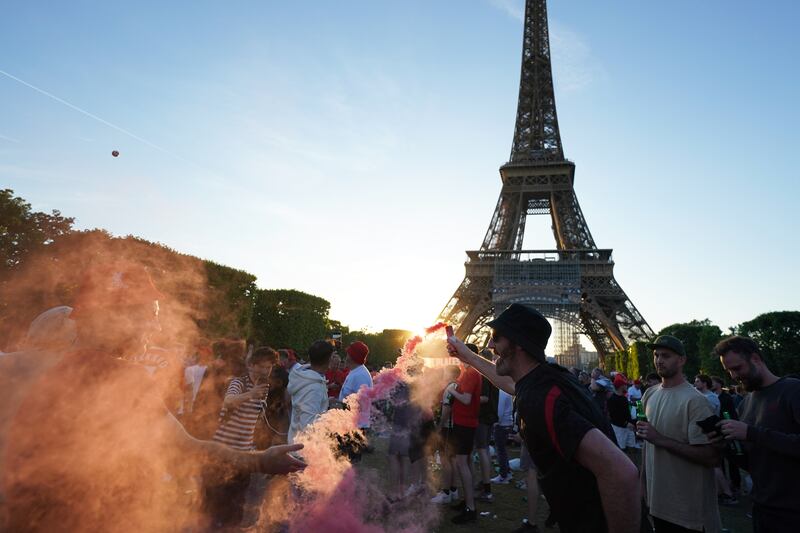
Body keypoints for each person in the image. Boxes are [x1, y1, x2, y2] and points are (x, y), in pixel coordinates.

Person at [2, 263, 305, 533]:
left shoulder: (14, 367)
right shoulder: (119, 378)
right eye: (149, 315)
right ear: (115, 317)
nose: (157, 326)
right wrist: (260, 461)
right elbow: (189, 448)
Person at [447, 304, 640, 533]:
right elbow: (513, 385)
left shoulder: (541, 399)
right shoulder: (549, 378)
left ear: (518, 343)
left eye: (496, 337)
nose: (489, 344)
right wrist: (468, 356)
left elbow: (621, 472)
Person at [714, 335, 800, 532]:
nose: (733, 376)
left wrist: (751, 432)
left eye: (737, 368)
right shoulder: (746, 403)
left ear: (755, 359)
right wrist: (725, 446)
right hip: (763, 508)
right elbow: (753, 462)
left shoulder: (793, 390)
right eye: (728, 371)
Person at [636, 335, 721, 533]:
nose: (658, 360)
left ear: (681, 360)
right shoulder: (650, 394)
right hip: (658, 502)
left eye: (666, 355)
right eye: (656, 355)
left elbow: (710, 457)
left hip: (687, 511)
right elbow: (648, 447)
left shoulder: (696, 401)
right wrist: (642, 485)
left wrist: (660, 439)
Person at [205, 346, 280, 527]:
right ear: (251, 365)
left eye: (268, 367)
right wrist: (251, 394)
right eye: (261, 366)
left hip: (244, 454)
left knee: (237, 503)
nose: (265, 371)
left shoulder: (264, 388)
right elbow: (229, 401)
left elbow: (255, 419)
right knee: (214, 503)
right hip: (222, 451)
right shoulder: (238, 383)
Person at [287, 340, 333, 444]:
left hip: (296, 442)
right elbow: (308, 425)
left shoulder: (305, 377)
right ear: (329, 360)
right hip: (305, 450)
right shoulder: (314, 387)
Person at [474, 347, 499, 503]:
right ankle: (485, 482)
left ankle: (486, 487)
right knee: (484, 451)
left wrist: (466, 399)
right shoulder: (494, 373)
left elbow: (483, 398)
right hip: (490, 416)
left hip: (483, 417)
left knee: (482, 450)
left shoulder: (483, 375)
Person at [710, 376, 741, 498]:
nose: (711, 384)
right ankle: (724, 484)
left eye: (713, 382)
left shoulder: (726, 397)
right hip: (718, 430)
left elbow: (730, 413)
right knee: (719, 460)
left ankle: (735, 484)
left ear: (718, 383)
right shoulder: (712, 396)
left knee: (732, 459)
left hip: (728, 429)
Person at [491, 387, 515, 484]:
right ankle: (507, 473)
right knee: (503, 450)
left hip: (502, 424)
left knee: (500, 451)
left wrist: (496, 422)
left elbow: (499, 411)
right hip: (507, 423)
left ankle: (503, 476)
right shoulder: (506, 391)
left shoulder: (501, 392)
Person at [608, 374, 637, 451]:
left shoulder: (624, 398)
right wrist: (626, 423)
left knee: (631, 447)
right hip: (619, 429)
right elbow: (614, 416)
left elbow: (626, 413)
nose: (627, 387)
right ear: (621, 386)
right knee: (620, 449)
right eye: (625, 385)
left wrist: (631, 423)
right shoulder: (612, 399)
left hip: (628, 428)